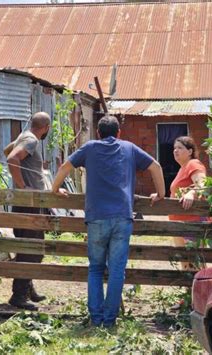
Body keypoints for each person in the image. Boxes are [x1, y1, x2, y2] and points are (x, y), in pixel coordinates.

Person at [52, 116, 165, 328]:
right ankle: (110, 320)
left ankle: (96, 318)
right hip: (122, 216)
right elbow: (156, 167)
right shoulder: (129, 148)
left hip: (96, 217)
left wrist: (54, 188)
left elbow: (65, 166)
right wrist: (160, 193)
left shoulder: (90, 147)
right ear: (119, 133)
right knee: (116, 270)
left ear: (98, 133)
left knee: (95, 268)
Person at [4, 111, 51, 310]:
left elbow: (8, 150)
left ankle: (27, 288)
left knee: (28, 246)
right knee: (33, 249)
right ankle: (19, 295)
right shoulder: (31, 140)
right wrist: (23, 186)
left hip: (25, 203)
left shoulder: (24, 137)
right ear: (46, 128)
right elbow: (12, 159)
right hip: (29, 203)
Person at [168, 136, 209, 268]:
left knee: (195, 263)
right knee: (186, 263)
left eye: (180, 148)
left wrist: (192, 192)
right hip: (180, 223)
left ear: (190, 151)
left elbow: (203, 185)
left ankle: (201, 288)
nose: (175, 151)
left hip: (192, 221)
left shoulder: (193, 164)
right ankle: (190, 289)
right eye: (174, 148)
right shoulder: (182, 168)